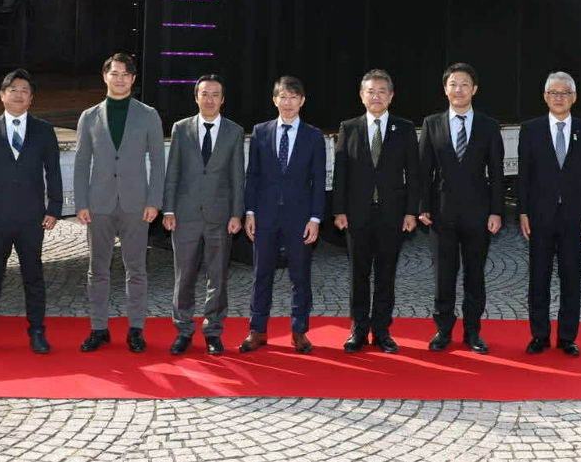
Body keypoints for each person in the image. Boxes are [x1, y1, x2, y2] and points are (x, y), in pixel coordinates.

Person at [0, 68, 62, 355]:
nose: (19, 95)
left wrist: (54, 208)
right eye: (13, 90)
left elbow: (53, 171)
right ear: (2, 95)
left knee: (34, 276)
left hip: (32, 217)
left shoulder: (44, 130)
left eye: (25, 91)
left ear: (31, 98)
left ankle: (37, 332)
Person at [74, 53, 167, 353]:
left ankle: (136, 330)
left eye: (126, 74)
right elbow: (81, 162)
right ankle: (98, 328)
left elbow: (159, 162)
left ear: (133, 79)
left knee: (136, 270)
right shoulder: (89, 117)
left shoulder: (148, 115)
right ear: (105, 76)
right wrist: (81, 202)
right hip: (98, 204)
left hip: (136, 205)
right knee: (97, 269)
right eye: (115, 73)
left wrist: (154, 201)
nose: (120, 79)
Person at [418, 62, 504, 354]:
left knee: (475, 275)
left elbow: (497, 173)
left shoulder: (489, 126)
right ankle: (443, 330)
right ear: (445, 89)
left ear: (474, 89)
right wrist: (423, 206)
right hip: (441, 214)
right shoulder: (432, 124)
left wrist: (496, 211)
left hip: (478, 214)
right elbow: (424, 170)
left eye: (464, 84)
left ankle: (472, 331)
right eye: (453, 84)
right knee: (443, 276)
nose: (458, 90)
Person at [332, 69, 420, 353]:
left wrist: (411, 212)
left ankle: (382, 330)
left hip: (392, 214)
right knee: (358, 275)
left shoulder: (404, 128)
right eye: (371, 91)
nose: (376, 96)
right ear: (362, 96)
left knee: (386, 275)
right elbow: (341, 173)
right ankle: (358, 329)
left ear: (391, 96)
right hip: (357, 214)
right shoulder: (349, 128)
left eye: (382, 91)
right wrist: (339, 210)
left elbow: (414, 174)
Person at [239, 75, 326, 354]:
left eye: (293, 97)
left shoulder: (314, 136)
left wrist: (315, 218)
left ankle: (299, 332)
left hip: (300, 218)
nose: (288, 103)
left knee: (300, 276)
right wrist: (250, 211)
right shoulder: (261, 132)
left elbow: (318, 181)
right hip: (264, 216)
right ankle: (257, 330)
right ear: (274, 99)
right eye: (283, 97)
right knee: (261, 274)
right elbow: (252, 175)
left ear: (302, 101)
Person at [161, 74, 245, 356]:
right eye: (204, 94)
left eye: (215, 94)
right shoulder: (181, 128)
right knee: (183, 276)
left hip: (220, 215)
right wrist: (169, 209)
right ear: (196, 97)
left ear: (223, 99)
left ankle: (213, 332)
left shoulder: (234, 131)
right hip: (185, 215)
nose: (209, 99)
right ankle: (183, 330)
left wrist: (236, 214)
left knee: (217, 277)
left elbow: (237, 177)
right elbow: (173, 172)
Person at [517, 71, 581, 356]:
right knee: (538, 279)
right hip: (539, 216)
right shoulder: (531, 129)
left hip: (574, 218)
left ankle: (567, 337)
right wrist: (522, 212)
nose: (559, 97)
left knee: (571, 278)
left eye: (565, 93)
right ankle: (539, 335)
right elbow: (524, 176)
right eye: (554, 92)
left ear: (574, 98)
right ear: (545, 96)